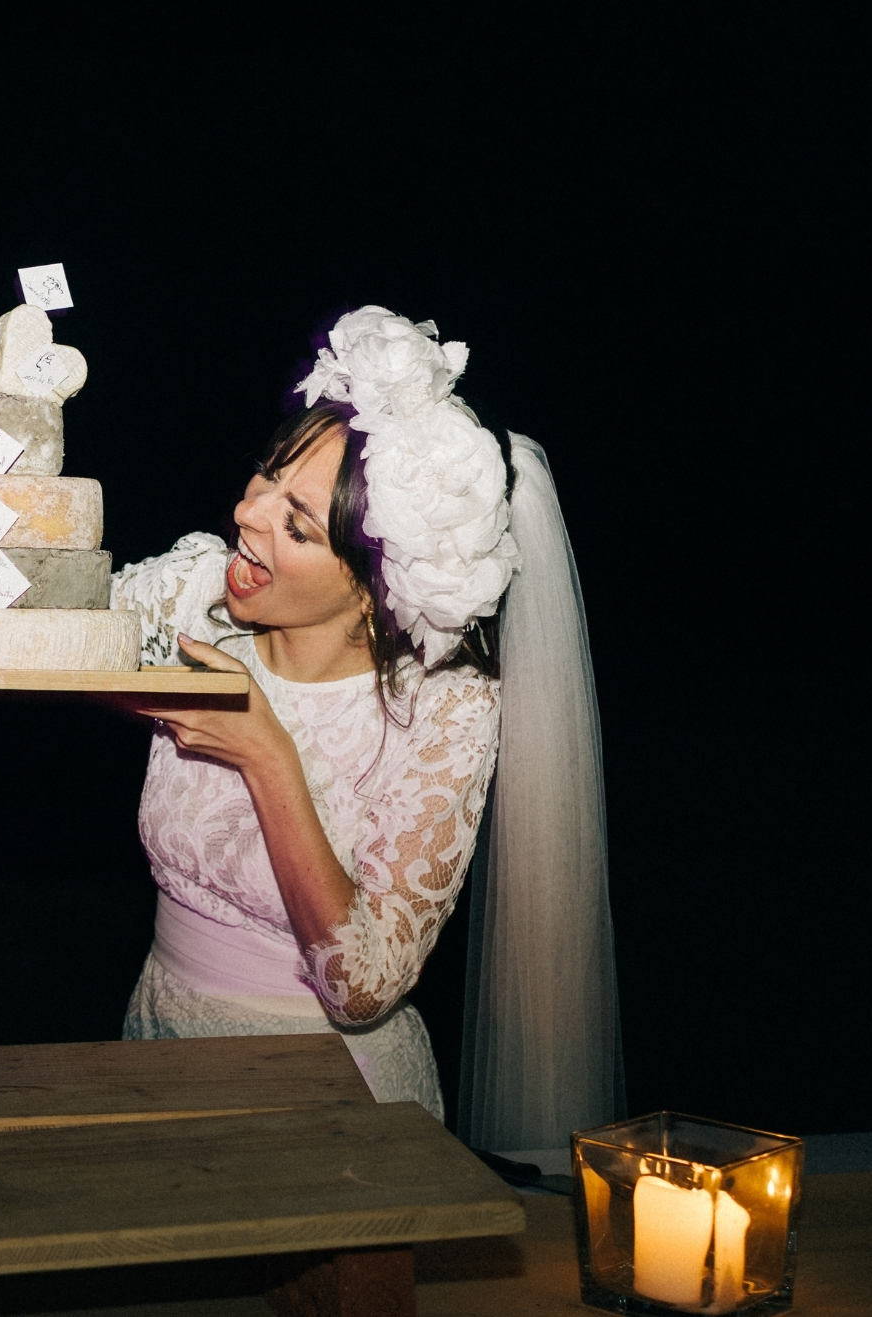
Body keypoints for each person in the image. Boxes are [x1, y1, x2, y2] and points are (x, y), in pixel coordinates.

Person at [112, 307, 621, 1146]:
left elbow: (364, 987)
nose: (247, 511)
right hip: (155, 1050)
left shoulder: (442, 707)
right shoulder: (194, 598)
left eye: (297, 522)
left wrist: (267, 754)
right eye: (265, 477)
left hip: (332, 1108)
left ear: (372, 587)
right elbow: (23, 627)